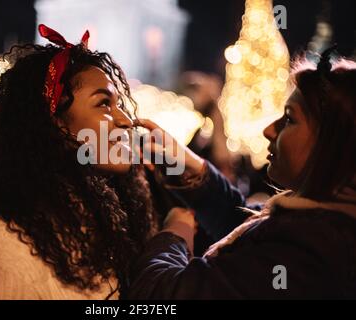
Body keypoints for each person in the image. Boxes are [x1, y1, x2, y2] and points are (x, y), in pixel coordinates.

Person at [0, 25, 157, 300]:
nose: (126, 120)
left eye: (119, 104)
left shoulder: (103, 218)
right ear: (54, 124)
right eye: (103, 104)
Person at [127, 47, 356, 299]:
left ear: (333, 144)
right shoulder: (321, 223)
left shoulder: (312, 250)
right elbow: (245, 226)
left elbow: (162, 295)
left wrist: (175, 234)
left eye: (289, 119)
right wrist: (196, 171)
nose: (269, 130)